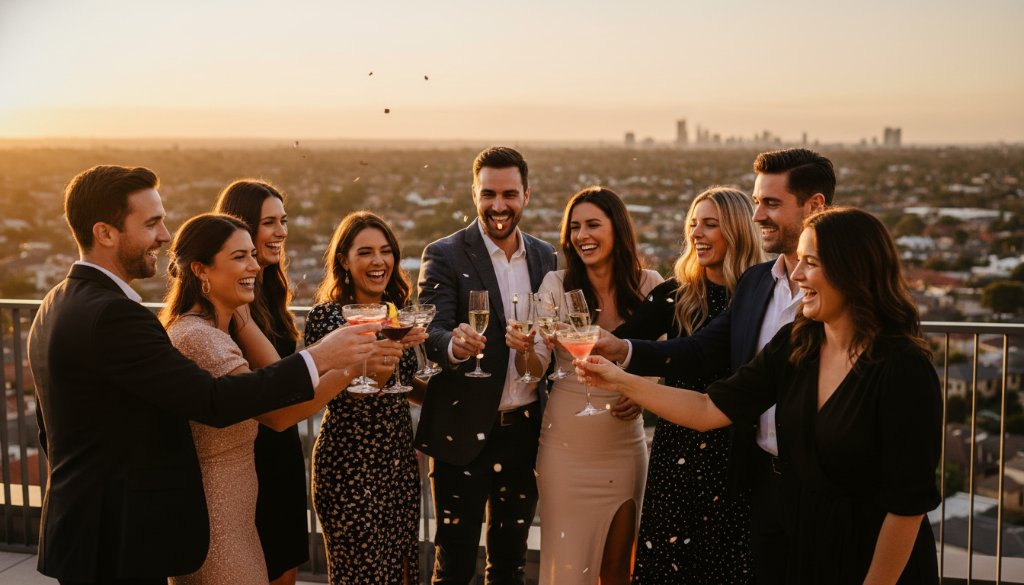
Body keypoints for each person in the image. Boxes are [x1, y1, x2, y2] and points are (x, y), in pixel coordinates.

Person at [27, 166, 374, 585]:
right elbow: (214, 400)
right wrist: (319, 355)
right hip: (118, 536)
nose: (165, 235)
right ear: (105, 233)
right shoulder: (115, 315)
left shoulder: (56, 301)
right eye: (152, 223)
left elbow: (52, 430)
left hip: (83, 528)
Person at [579, 207, 941, 585]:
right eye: (798, 261)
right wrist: (619, 380)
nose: (797, 275)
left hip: (874, 558)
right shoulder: (798, 343)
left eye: (811, 263)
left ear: (853, 271)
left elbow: (906, 507)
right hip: (806, 546)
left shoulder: (903, 368)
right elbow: (707, 408)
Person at [595, 147, 836, 584]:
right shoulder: (758, 286)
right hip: (747, 469)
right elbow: (699, 352)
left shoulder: (833, 298)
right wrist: (623, 361)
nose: (759, 212)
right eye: (757, 201)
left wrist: (627, 370)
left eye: (770, 203)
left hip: (785, 478)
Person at [161, 213, 399, 585]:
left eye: (253, 255)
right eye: (240, 257)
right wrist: (345, 362)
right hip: (217, 524)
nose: (255, 266)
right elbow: (276, 411)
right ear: (201, 270)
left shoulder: (212, 331)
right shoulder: (202, 339)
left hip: (235, 518)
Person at [417, 146, 557, 584]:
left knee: (510, 564)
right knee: (454, 565)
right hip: (461, 430)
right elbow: (433, 328)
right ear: (474, 193)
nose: (499, 206)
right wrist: (455, 347)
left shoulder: (544, 257)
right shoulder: (444, 253)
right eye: (489, 194)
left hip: (525, 429)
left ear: (526, 195)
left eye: (509, 194)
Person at [613, 187, 765, 584]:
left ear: (738, 231)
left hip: (733, 453)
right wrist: (636, 384)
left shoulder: (756, 299)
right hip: (676, 452)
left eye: (710, 224)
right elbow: (628, 342)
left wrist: (636, 375)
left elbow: (697, 353)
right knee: (667, 564)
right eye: (693, 224)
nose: (697, 233)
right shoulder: (675, 295)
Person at [530, 187, 663, 585]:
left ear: (617, 229)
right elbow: (535, 365)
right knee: (566, 569)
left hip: (623, 445)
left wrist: (641, 392)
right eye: (574, 228)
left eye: (592, 225)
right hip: (566, 446)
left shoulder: (652, 284)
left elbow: (666, 357)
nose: (582, 235)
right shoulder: (555, 284)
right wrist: (523, 348)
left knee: (618, 569)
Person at [304, 211, 428, 585]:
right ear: (344, 260)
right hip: (350, 465)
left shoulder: (393, 311)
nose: (379, 261)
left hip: (397, 463)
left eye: (386, 251)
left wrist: (460, 379)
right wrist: (387, 351)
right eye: (366, 252)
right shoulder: (329, 318)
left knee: (403, 570)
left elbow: (405, 388)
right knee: (362, 575)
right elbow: (361, 392)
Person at [214, 179, 307, 585]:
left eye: (283, 221)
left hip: (282, 451)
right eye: (269, 222)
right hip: (252, 451)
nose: (281, 232)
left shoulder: (270, 289)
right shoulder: (233, 301)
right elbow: (275, 386)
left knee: (284, 567)